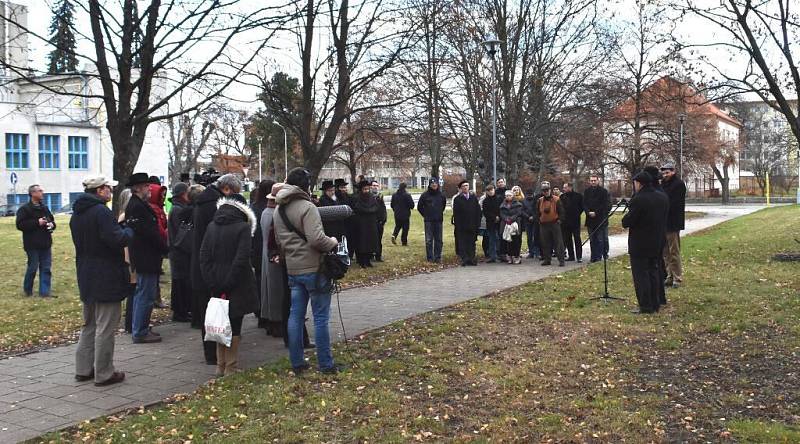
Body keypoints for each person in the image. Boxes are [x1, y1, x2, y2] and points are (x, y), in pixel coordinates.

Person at [274, 167, 340, 375]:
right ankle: (326, 364)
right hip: (314, 267)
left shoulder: (279, 209)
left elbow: (279, 241)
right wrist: (333, 242)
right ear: (306, 185)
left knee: (295, 316)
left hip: (293, 269)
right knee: (320, 318)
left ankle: (297, 362)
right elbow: (316, 239)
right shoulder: (307, 207)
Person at [71, 175, 133, 386]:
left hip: (86, 273)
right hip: (106, 275)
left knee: (89, 324)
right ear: (99, 190)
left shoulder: (77, 214)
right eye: (108, 188)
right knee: (105, 326)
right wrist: (128, 231)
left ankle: (83, 369)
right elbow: (116, 239)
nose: (111, 192)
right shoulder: (101, 212)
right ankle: (104, 372)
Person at [200, 193, 260, 376]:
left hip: (215, 281)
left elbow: (204, 256)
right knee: (234, 324)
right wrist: (229, 281)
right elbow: (242, 258)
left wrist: (211, 280)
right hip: (237, 283)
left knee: (220, 322)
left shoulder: (212, 226)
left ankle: (220, 365)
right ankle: (231, 367)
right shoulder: (243, 228)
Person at [191, 173, 242, 365]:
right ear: (226, 189)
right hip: (212, 265)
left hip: (203, 263)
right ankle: (215, 355)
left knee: (211, 311)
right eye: (234, 193)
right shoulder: (214, 206)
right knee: (214, 311)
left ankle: (213, 353)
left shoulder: (204, 202)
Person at [125, 173, 169, 344]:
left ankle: (139, 326)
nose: (149, 189)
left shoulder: (138, 205)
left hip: (145, 255)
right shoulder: (137, 207)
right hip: (146, 255)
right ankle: (140, 331)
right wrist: (164, 248)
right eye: (145, 186)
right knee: (146, 294)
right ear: (137, 188)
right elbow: (149, 232)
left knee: (143, 293)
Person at [622, 171, 668, 314]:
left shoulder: (639, 199)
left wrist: (625, 218)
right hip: (656, 241)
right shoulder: (662, 197)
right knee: (654, 272)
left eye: (635, 183)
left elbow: (628, 221)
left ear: (639, 183)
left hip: (640, 243)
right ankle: (655, 303)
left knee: (641, 275)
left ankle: (645, 305)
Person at [16, 184, 55, 297]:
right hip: (32, 244)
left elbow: (51, 220)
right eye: (39, 191)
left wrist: (51, 224)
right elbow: (20, 225)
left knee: (46, 268)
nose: (42, 192)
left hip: (45, 243)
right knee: (32, 268)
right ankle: (28, 291)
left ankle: (44, 292)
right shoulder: (25, 209)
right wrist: (37, 223)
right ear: (33, 193)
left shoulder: (44, 208)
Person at [167, 182, 192, 322]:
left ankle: (181, 310)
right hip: (179, 252)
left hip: (177, 251)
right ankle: (180, 312)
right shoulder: (178, 210)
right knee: (180, 283)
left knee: (181, 282)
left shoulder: (177, 208)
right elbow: (180, 233)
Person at [251, 179, 275, 327]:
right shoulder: (267, 210)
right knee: (268, 282)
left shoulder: (254, 207)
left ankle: (260, 313)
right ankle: (267, 314)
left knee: (259, 281)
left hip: (256, 248)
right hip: (264, 247)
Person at [660, 162, 686, 289]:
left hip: (673, 222)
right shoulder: (662, 185)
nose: (665, 175)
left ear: (673, 171)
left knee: (673, 251)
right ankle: (669, 275)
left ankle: (677, 277)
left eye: (667, 172)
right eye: (664, 173)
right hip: (663, 222)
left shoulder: (679, 184)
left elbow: (673, 203)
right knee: (665, 252)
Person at [117, 189, 137, 333]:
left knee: (134, 291)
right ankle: (131, 323)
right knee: (133, 291)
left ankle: (131, 322)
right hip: (129, 258)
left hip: (130, 256)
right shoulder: (125, 217)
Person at [351, 180, 381, 268]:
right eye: (365, 189)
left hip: (371, 224)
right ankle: (361, 261)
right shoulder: (357, 198)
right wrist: (369, 210)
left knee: (371, 243)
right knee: (362, 244)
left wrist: (369, 210)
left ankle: (368, 260)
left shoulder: (371, 197)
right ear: (361, 190)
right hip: (361, 225)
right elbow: (358, 208)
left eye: (368, 189)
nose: (366, 191)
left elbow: (376, 207)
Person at [452, 180, 482, 266]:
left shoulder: (473, 198)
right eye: (464, 186)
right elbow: (456, 214)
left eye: (467, 186)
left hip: (472, 224)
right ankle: (464, 258)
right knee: (463, 242)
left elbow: (478, 211)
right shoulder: (458, 199)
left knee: (472, 242)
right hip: (462, 225)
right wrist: (458, 225)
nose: (465, 187)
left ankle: (471, 258)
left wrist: (477, 223)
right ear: (461, 188)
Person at [417, 178, 446, 263]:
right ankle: (430, 257)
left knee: (439, 240)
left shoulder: (441, 195)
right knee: (429, 240)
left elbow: (443, 206)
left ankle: (437, 257)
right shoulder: (425, 195)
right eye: (432, 184)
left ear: (438, 185)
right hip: (428, 221)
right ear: (429, 185)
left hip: (438, 220)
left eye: (435, 184)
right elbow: (419, 207)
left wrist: (439, 213)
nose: (434, 185)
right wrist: (425, 215)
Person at [537, 183, 566, 266]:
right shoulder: (539, 200)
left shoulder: (557, 199)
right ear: (542, 191)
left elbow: (561, 212)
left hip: (554, 223)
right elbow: (537, 212)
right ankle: (547, 259)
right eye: (544, 190)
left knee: (558, 242)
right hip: (543, 224)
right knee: (545, 242)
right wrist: (539, 220)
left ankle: (561, 260)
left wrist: (560, 220)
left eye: (547, 190)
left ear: (550, 190)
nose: (546, 192)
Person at [584, 175, 611, 262]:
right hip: (590, 219)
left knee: (600, 239)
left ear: (598, 181)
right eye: (591, 180)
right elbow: (584, 203)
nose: (593, 182)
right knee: (592, 239)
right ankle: (593, 256)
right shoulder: (587, 191)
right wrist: (588, 212)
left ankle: (599, 256)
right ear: (589, 181)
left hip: (600, 219)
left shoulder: (603, 191)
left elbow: (605, 205)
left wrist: (596, 212)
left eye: (594, 180)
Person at [560, 183, 584, 262]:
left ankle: (579, 256)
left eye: (565, 187)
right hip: (565, 222)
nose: (564, 189)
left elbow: (581, 207)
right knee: (567, 239)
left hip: (575, 221)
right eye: (563, 188)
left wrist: (577, 214)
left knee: (577, 238)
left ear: (570, 187)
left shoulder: (578, 196)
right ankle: (571, 256)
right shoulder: (562, 197)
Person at [499, 190, 524, 264]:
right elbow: (502, 213)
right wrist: (506, 219)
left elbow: (518, 213)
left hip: (515, 224)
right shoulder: (502, 205)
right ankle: (509, 256)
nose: (508, 197)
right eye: (506, 196)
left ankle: (516, 256)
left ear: (512, 196)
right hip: (505, 224)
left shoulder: (518, 204)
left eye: (509, 195)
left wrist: (511, 219)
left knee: (516, 240)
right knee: (507, 241)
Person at [481, 184, 501, 263]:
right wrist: (494, 217)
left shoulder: (499, 199)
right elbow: (486, 212)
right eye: (489, 191)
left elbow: (501, 208)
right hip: (490, 222)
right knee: (492, 239)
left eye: (492, 190)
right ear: (487, 192)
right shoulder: (485, 201)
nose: (491, 192)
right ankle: (492, 255)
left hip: (499, 221)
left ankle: (499, 254)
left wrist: (498, 216)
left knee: (499, 238)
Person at [522, 186, 541, 259]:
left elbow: (538, 210)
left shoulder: (536, 200)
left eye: (530, 194)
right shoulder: (524, 201)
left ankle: (537, 252)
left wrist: (534, 216)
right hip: (527, 221)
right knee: (529, 237)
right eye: (528, 194)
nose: (529, 196)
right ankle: (531, 252)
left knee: (536, 237)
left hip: (535, 220)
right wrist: (528, 217)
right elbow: (522, 210)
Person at [371, 180, 387, 262]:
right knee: (371, 240)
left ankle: (378, 256)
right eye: (373, 185)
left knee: (379, 240)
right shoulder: (369, 197)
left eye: (376, 185)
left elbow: (383, 210)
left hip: (379, 223)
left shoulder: (380, 196)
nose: (375, 187)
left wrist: (383, 220)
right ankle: (370, 255)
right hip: (371, 223)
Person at [495, 179, 508, 258]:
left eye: (501, 182)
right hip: (498, 217)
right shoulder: (495, 192)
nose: (500, 184)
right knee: (500, 235)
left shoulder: (508, 191)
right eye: (499, 182)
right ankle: (501, 253)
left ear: (504, 183)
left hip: (507, 216)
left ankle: (508, 252)